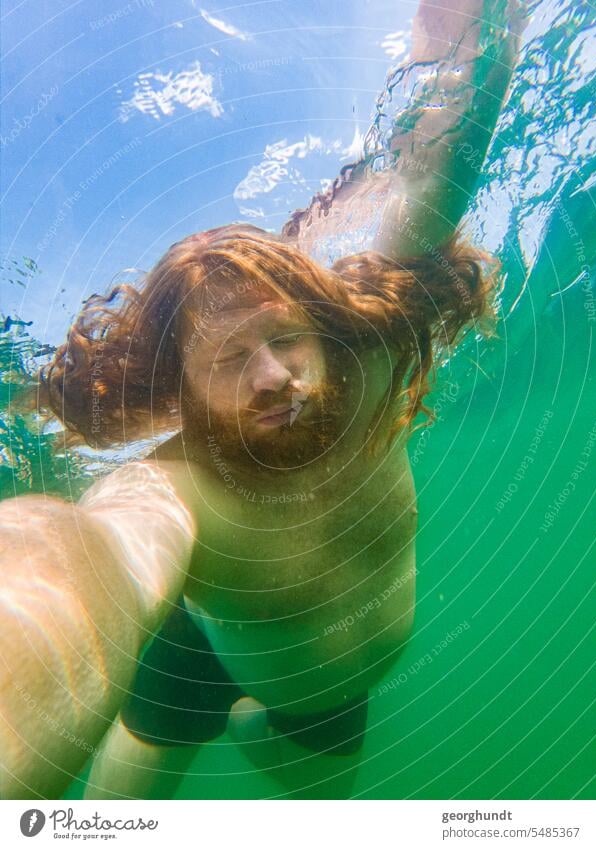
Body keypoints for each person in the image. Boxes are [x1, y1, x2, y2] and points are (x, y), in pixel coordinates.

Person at [0, 0, 525, 800]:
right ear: (187, 388)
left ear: (321, 328)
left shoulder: (372, 362)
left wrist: (482, 43)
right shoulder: (177, 486)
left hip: (325, 697)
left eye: (284, 339)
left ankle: (249, 717)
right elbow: (96, 550)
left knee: (328, 791)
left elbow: (435, 178)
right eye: (229, 358)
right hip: (187, 641)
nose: (273, 375)